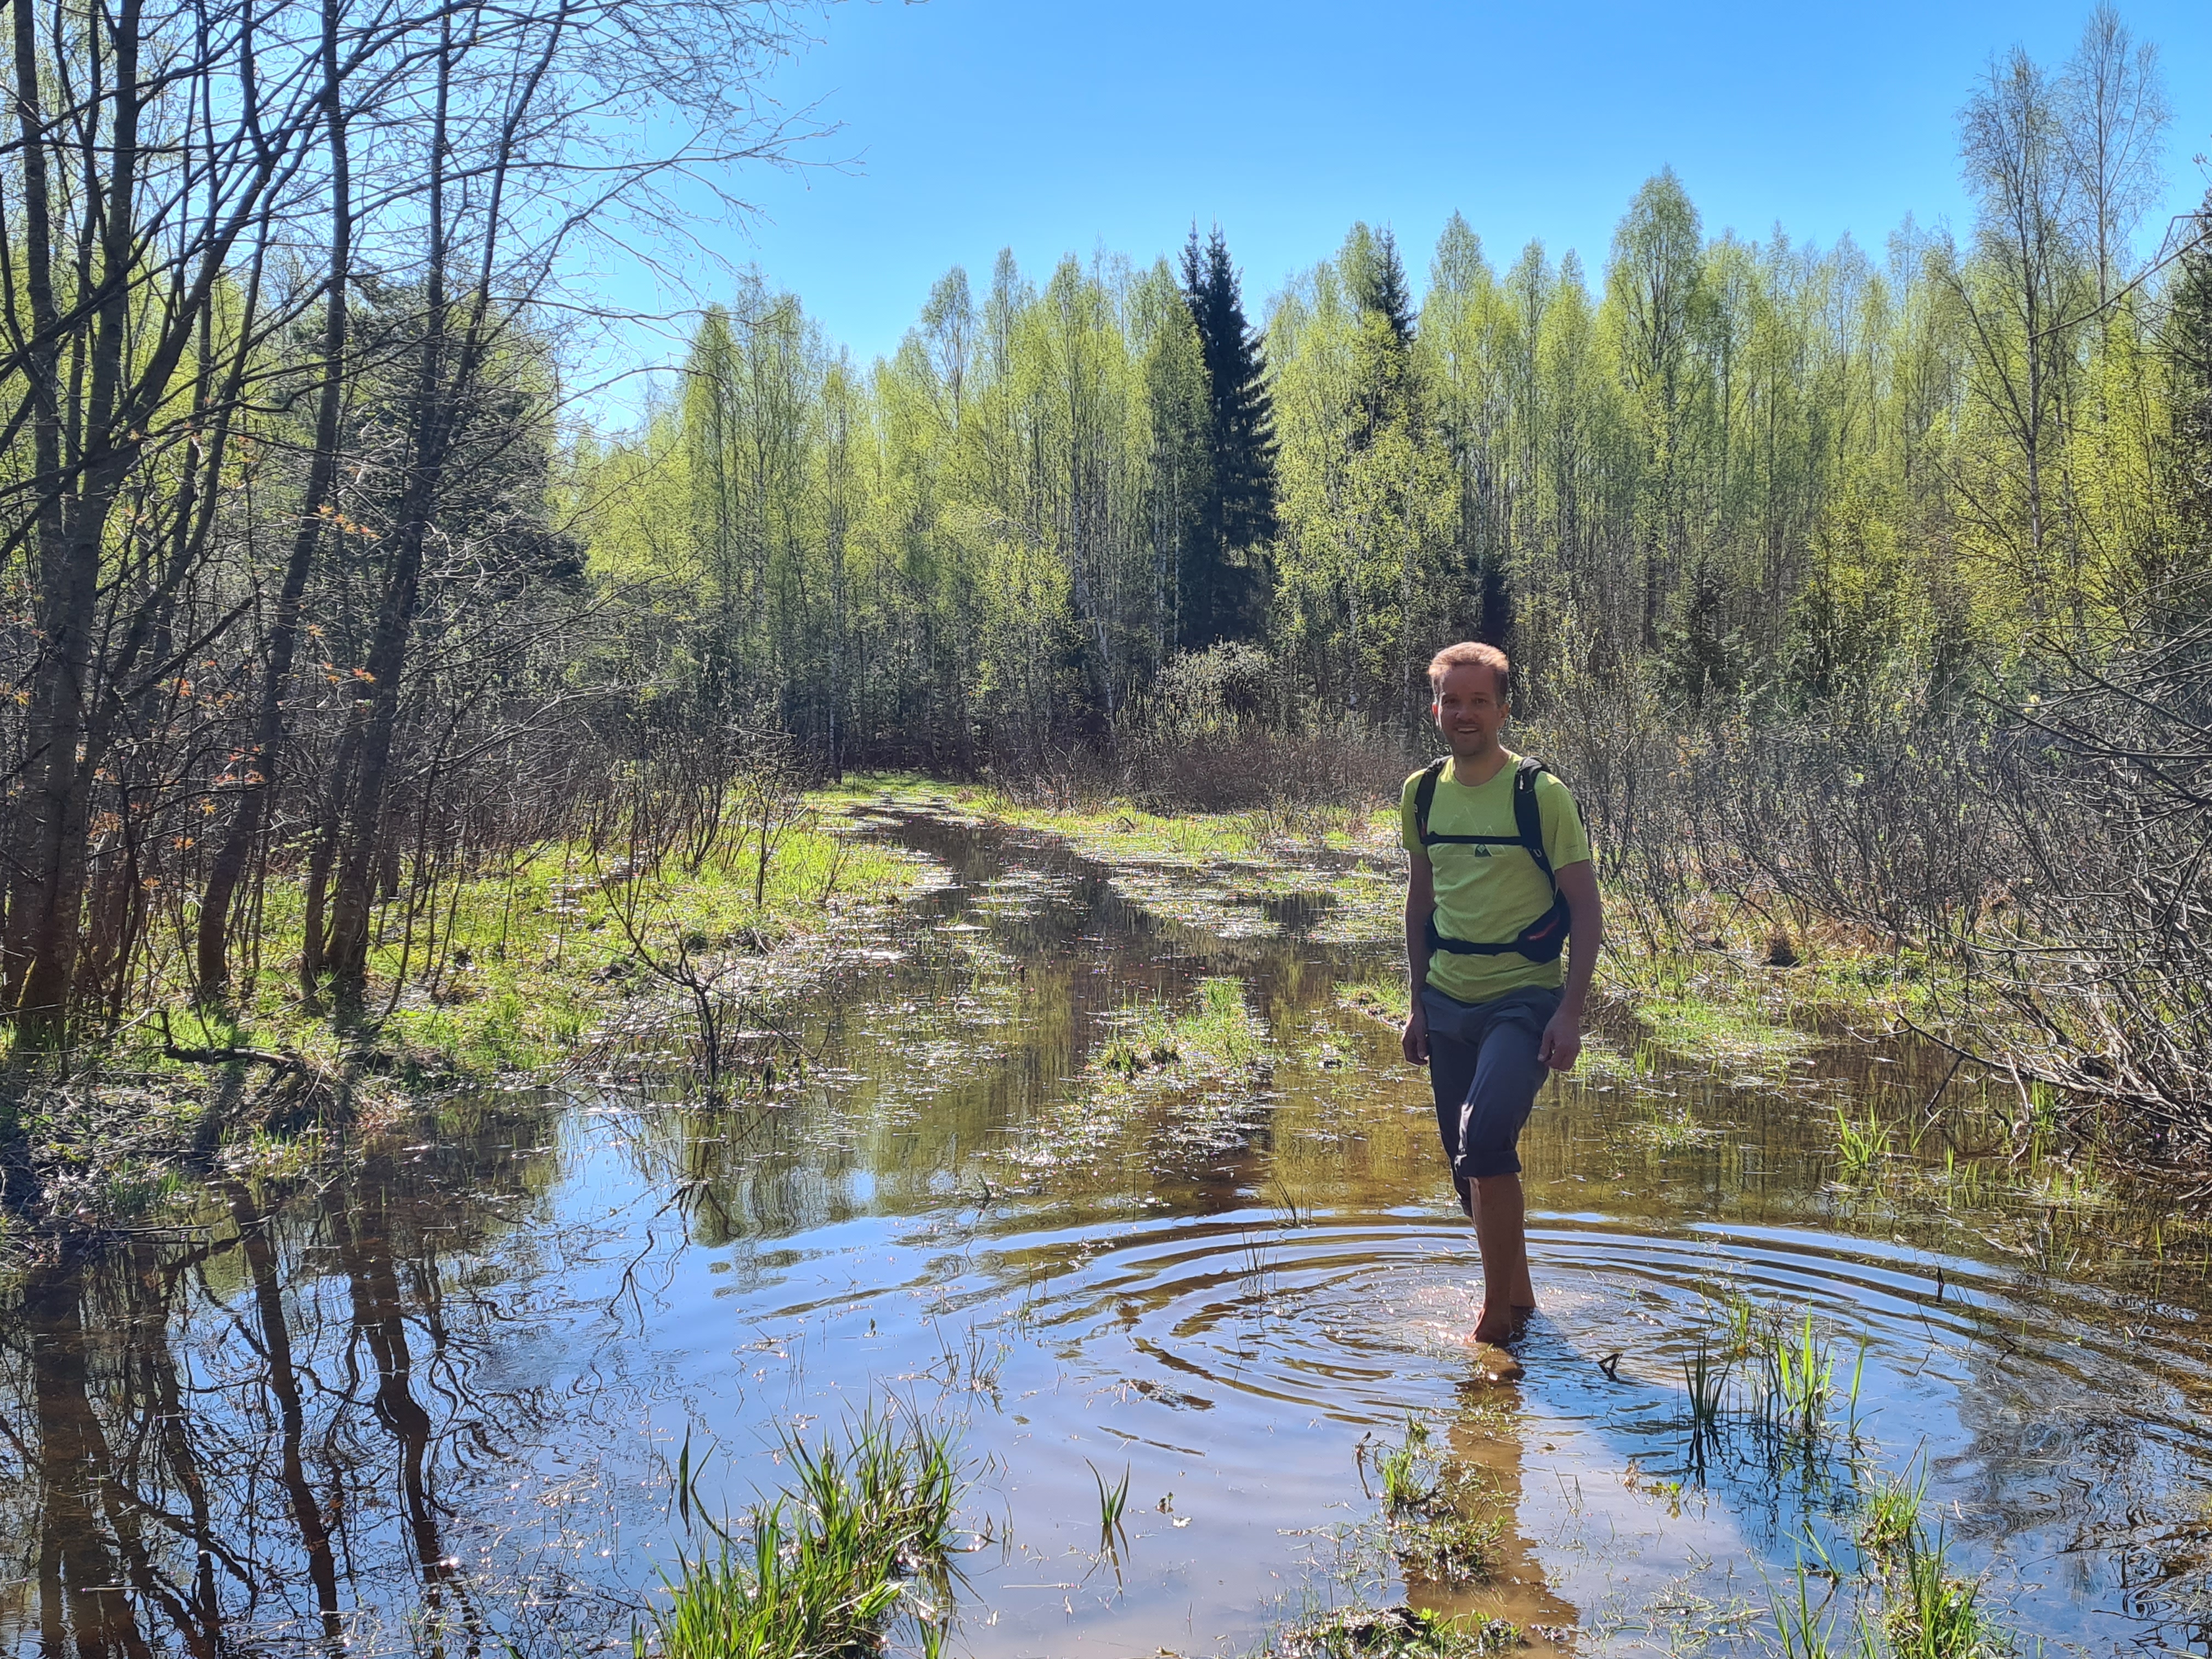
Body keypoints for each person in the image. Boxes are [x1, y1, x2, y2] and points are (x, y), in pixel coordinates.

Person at [1400, 641, 1602, 1348]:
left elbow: (1585, 907)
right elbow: (1421, 901)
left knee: (1484, 1139)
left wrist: (1571, 1013)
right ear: (1436, 710)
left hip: (1524, 998)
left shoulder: (1540, 795)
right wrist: (1418, 1002)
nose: (1465, 714)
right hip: (1447, 999)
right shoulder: (1422, 793)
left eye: (1479, 701)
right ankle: (1521, 1300)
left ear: (1503, 710)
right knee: (1469, 1176)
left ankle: (1496, 1324)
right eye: (1452, 701)